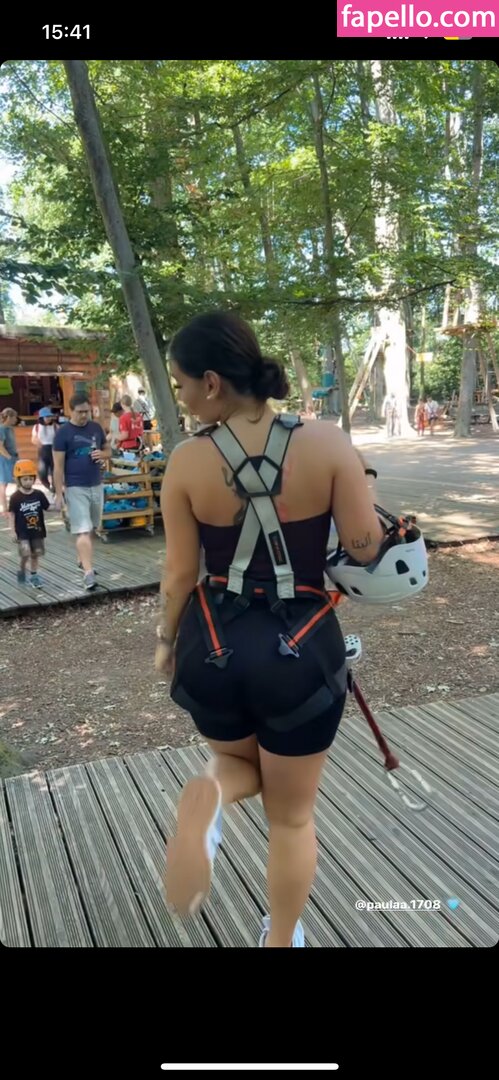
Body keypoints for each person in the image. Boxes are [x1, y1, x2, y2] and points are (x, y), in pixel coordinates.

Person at [156, 310, 384, 948]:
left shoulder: (185, 462)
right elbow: (365, 547)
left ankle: (209, 791)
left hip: (214, 648)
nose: (180, 397)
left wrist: (166, 642)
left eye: (180, 385)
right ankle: (280, 939)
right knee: (291, 817)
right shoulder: (328, 442)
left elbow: (179, 575)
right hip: (300, 653)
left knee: (237, 762)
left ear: (210, 382)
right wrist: (358, 484)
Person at [53, 392, 110, 590]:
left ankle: (81, 559)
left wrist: (103, 454)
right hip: (75, 486)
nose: (84, 415)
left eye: (87, 411)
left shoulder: (96, 428)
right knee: (83, 529)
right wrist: (58, 493)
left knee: (92, 526)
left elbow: (108, 450)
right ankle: (88, 572)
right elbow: (58, 466)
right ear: (71, 411)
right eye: (80, 412)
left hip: (96, 484)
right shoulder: (63, 433)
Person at [9, 459, 51, 588]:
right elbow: (12, 514)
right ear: (19, 480)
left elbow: (48, 507)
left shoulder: (39, 494)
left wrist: (60, 504)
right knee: (25, 554)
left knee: (35, 554)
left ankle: (34, 575)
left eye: (30, 479)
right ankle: (22, 570)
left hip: (37, 531)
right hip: (23, 532)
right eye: (25, 479)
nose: (28, 481)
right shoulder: (15, 497)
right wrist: (12, 531)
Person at [31, 406, 57, 493]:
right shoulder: (36, 427)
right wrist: (37, 442)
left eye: (50, 416)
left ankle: (55, 488)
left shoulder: (55, 426)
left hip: (53, 450)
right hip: (43, 450)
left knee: (55, 471)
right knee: (42, 472)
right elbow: (33, 439)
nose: (49, 418)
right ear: (41, 418)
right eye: (47, 417)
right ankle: (47, 486)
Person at [0, 407, 19, 514]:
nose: (16, 419)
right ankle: (4, 508)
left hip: (14, 456)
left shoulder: (10, 429)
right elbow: (0, 446)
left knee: (18, 480)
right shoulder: (1, 429)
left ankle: (16, 503)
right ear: (9, 417)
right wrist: (9, 457)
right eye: (14, 417)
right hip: (5, 459)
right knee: (3, 484)